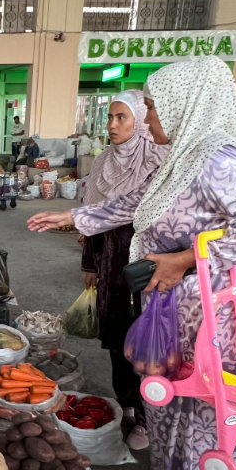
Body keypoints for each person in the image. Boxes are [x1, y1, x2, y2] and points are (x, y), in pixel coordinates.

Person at [28, 57, 236, 470]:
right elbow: (136, 204)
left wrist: (183, 259)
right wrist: (75, 218)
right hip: (189, 307)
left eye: (152, 106)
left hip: (220, 316)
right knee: (203, 402)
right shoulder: (186, 157)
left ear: (187, 104)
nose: (148, 117)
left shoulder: (218, 158)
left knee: (202, 403)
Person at [81, 90, 169, 450]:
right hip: (112, 261)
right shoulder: (103, 162)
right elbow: (92, 218)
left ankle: (150, 419)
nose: (113, 125)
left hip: (150, 265)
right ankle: (128, 404)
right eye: (111, 117)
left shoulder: (159, 158)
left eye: (122, 117)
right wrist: (90, 264)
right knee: (118, 337)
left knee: (148, 341)